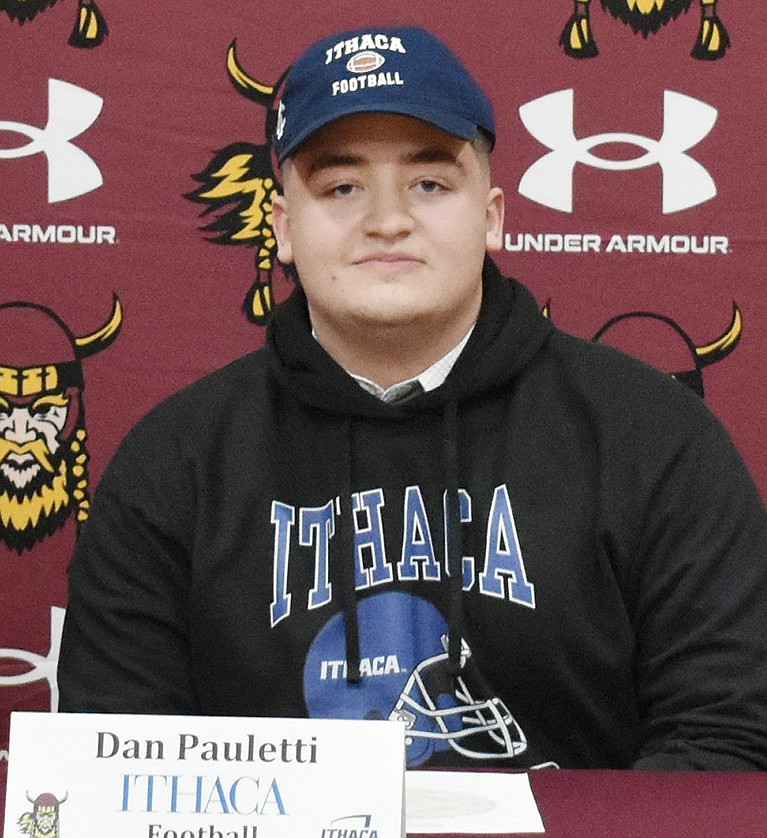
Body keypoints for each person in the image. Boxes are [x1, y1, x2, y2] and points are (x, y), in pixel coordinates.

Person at [58, 25, 767, 771]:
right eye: (341, 187)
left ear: (491, 217)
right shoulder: (178, 462)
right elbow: (116, 764)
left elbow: (728, 738)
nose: (387, 219)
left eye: (429, 184)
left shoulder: (649, 435)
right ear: (282, 228)